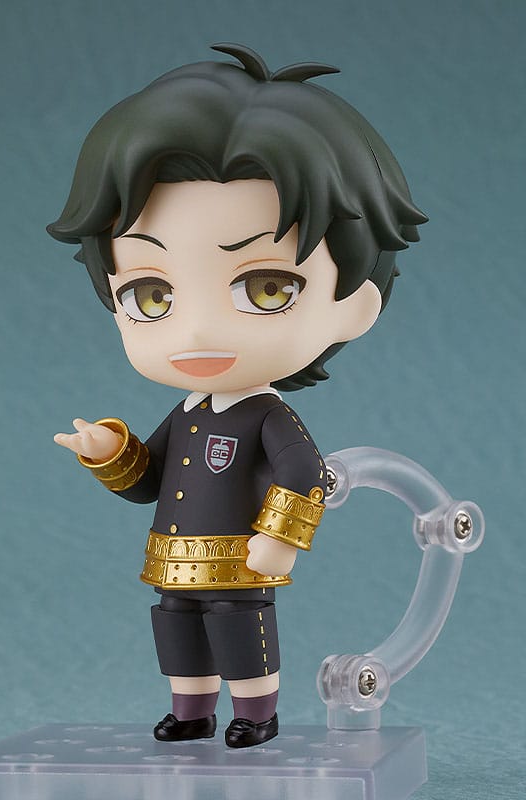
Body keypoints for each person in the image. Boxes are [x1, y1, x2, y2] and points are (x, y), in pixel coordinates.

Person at [48, 43, 426, 748]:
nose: (197, 330)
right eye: (152, 294)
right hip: (173, 559)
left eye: (266, 287)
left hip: (238, 562)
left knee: (239, 632)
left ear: (353, 306)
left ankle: (255, 712)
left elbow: (304, 471)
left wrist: (279, 540)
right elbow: (149, 481)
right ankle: (191, 709)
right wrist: (109, 451)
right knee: (177, 631)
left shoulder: (267, 415)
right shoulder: (187, 411)